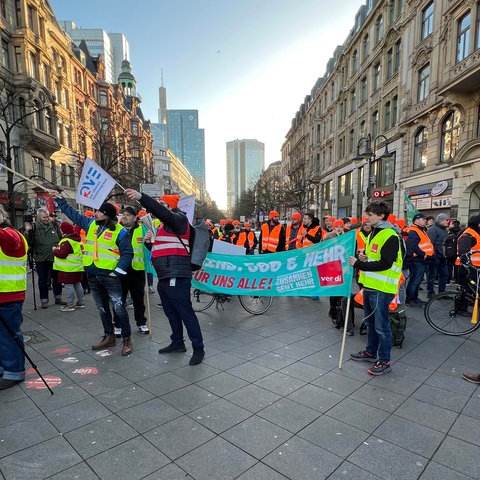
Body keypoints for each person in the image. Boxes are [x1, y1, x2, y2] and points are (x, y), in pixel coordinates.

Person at [124, 189, 205, 366]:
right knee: (171, 312)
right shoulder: (164, 226)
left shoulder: (179, 219)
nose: (160, 208)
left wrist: (142, 198)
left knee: (185, 312)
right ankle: (177, 343)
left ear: (170, 207)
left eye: (163, 205)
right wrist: (149, 244)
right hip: (166, 275)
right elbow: (161, 251)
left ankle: (198, 348)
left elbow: (162, 213)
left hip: (177, 274)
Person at [49, 191, 134, 356]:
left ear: (107, 215)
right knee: (102, 308)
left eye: (100, 212)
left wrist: (116, 272)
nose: (96, 213)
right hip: (93, 275)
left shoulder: (119, 231)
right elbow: (72, 214)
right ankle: (109, 335)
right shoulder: (90, 224)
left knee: (118, 307)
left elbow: (128, 254)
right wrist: (60, 199)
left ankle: (127, 339)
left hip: (110, 276)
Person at [348, 201, 402, 376]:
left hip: (382, 288)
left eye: (370, 214)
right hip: (370, 286)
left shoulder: (390, 236)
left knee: (381, 326)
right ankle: (371, 352)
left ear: (381, 216)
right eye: (367, 214)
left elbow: (386, 263)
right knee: (370, 323)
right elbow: (374, 258)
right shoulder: (374, 233)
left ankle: (384, 361)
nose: (367, 217)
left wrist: (359, 264)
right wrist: (363, 258)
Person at [0, 205, 28, 390]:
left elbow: (8, 242)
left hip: (9, 294)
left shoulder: (11, 234)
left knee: (8, 335)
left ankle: (14, 371)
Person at [113, 206, 149, 335]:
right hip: (119, 270)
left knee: (138, 300)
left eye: (128, 215)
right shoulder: (116, 230)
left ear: (135, 217)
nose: (125, 217)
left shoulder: (141, 230)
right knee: (119, 300)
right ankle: (117, 324)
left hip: (137, 271)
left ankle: (141, 322)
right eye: (123, 214)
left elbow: (148, 247)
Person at [24, 207, 66, 308]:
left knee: (56, 278)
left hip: (54, 257)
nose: (46, 219)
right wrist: (27, 232)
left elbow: (60, 239)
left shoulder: (55, 225)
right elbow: (27, 242)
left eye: (47, 217)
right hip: (40, 258)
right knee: (43, 280)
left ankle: (58, 297)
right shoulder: (33, 227)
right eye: (44, 217)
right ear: (38, 217)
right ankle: (44, 300)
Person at [52, 222, 85, 312]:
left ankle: (70, 305)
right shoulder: (78, 240)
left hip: (68, 269)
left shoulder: (67, 241)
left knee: (69, 285)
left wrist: (55, 250)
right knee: (77, 284)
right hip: (78, 267)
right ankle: (80, 302)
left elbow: (62, 254)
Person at [405, 213, 434, 306]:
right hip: (417, 259)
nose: (425, 220)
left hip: (421, 259)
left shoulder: (420, 230)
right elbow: (413, 246)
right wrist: (423, 254)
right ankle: (410, 299)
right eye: (423, 219)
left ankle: (414, 298)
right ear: (416, 221)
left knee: (417, 280)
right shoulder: (414, 231)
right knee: (415, 280)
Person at [426, 213, 449, 298]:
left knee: (444, 275)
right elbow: (430, 244)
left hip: (443, 257)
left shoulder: (445, 230)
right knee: (432, 275)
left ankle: (442, 292)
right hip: (435, 257)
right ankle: (430, 292)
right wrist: (434, 255)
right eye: (446, 220)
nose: (448, 222)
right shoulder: (432, 230)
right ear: (441, 220)